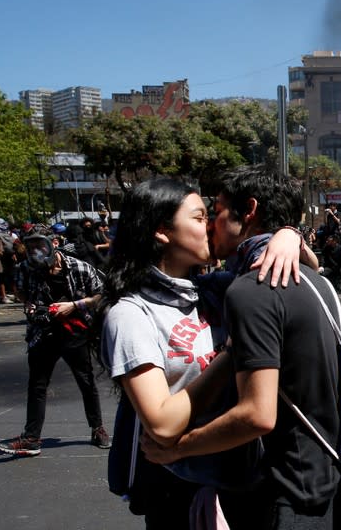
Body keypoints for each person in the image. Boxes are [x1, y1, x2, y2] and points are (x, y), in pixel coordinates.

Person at [142, 166, 341, 530]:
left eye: (215, 212)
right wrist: (292, 234)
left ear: (248, 210)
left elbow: (257, 415)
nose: (211, 224)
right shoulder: (315, 280)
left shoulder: (252, 290)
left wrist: (178, 448)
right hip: (336, 479)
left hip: (289, 496)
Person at [99, 177, 314, 529]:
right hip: (176, 488)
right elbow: (163, 424)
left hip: (241, 483)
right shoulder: (131, 315)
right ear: (161, 231)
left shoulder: (214, 289)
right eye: (199, 218)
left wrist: (289, 234)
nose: (211, 225)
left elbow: (307, 272)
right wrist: (231, 356)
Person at [0, 231, 110, 457]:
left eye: (40, 245)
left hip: (74, 331)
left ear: (54, 243)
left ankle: (97, 429)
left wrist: (74, 305)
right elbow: (20, 290)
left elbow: (102, 293)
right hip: (43, 332)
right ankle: (31, 438)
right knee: (37, 385)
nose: (35, 252)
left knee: (85, 381)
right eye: (31, 247)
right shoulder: (26, 268)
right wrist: (29, 304)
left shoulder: (78, 267)